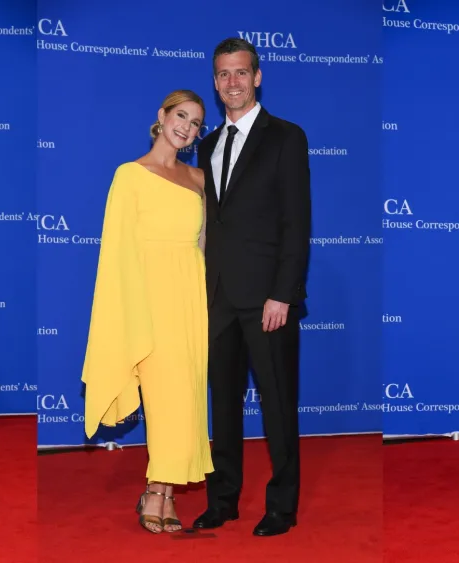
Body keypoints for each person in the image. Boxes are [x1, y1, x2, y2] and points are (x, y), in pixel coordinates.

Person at [193, 37, 311, 537]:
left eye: (241, 73)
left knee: (278, 407)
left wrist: (283, 293)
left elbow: (296, 221)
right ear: (215, 81)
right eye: (223, 74)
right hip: (217, 298)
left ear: (257, 77)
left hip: (268, 300)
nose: (232, 83)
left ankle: (282, 507)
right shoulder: (206, 144)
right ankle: (223, 500)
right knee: (221, 407)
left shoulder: (286, 136)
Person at [81, 90, 213, 534]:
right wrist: (129, 312)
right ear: (161, 116)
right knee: (164, 399)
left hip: (190, 299)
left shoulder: (198, 178)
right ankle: (159, 490)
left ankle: (163, 491)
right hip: (148, 300)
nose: (187, 128)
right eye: (181, 116)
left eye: (196, 123)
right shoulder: (130, 175)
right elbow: (116, 252)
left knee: (186, 399)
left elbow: (203, 246)